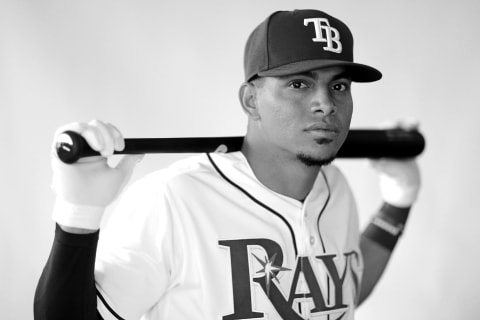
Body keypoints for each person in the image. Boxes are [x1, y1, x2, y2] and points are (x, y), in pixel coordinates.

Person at [34, 9, 421, 320]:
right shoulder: (175, 200)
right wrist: (78, 217)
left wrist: (397, 204)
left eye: (339, 86)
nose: (326, 103)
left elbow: (341, 296)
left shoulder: (335, 188)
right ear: (251, 101)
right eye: (299, 84)